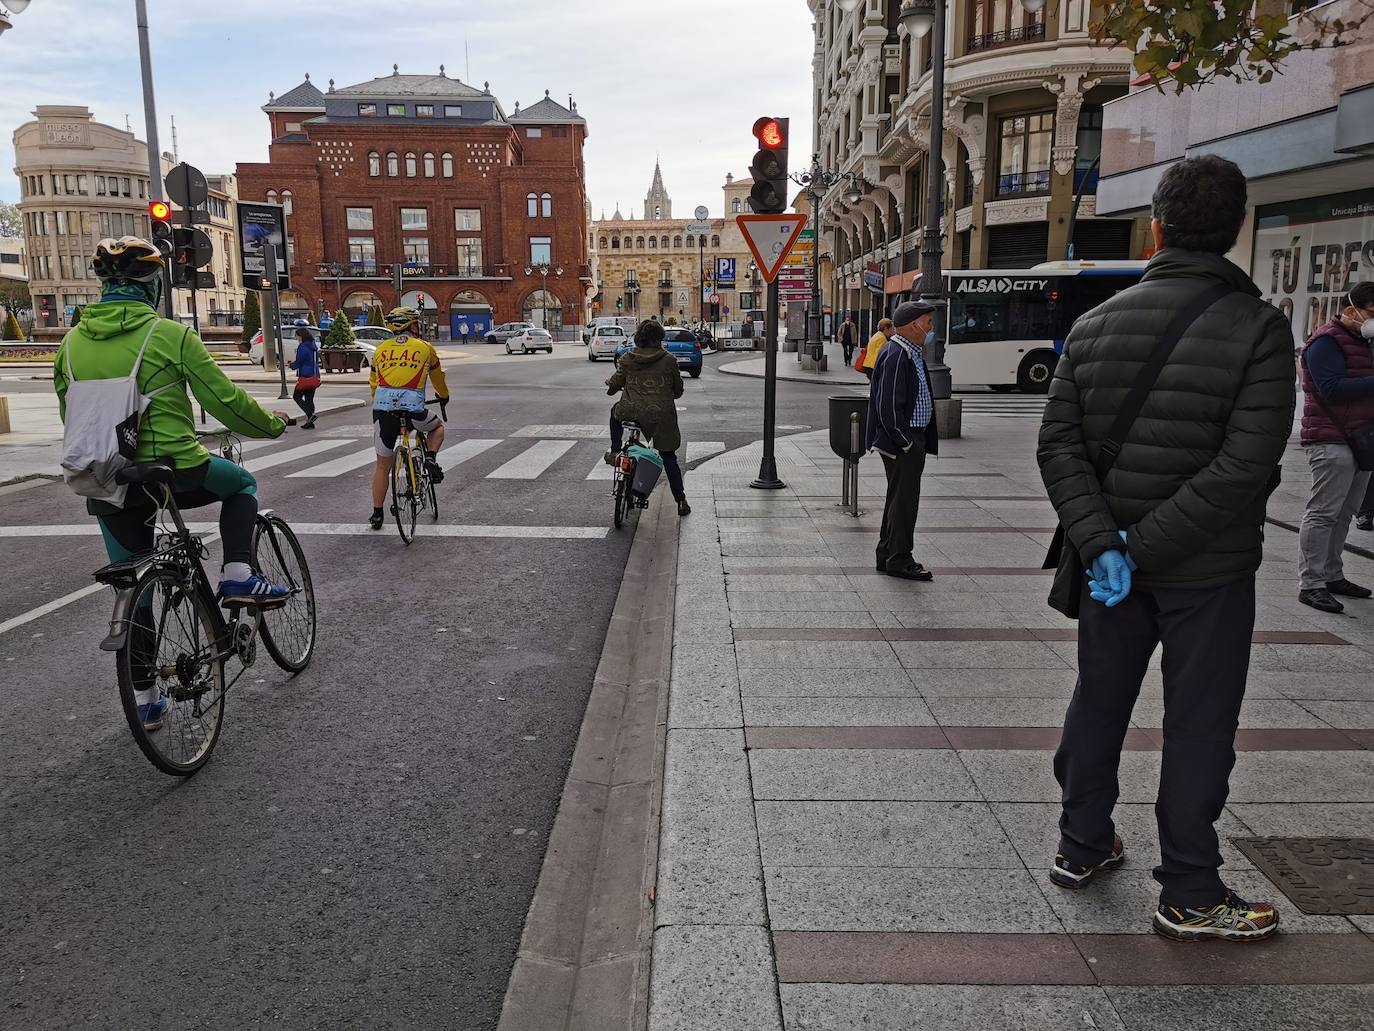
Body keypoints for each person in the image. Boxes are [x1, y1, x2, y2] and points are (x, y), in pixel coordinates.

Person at [1038, 155, 1295, 942]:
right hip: (1207, 572)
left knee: (1098, 700)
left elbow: (1059, 446)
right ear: (1238, 229)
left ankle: (1082, 844)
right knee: (1198, 724)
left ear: (1157, 227)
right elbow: (1244, 469)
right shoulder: (1258, 328)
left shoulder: (1095, 323)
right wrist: (1138, 546)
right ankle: (1188, 890)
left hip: (1113, 572)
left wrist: (1105, 544)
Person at [54, 236, 292, 729]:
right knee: (242, 485)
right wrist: (270, 423)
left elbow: (71, 414)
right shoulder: (168, 335)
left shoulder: (70, 343)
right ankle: (238, 573)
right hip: (174, 469)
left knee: (133, 583)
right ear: (153, 284)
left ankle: (144, 701)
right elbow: (223, 400)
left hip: (110, 478)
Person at [1296, 281, 1374, 612]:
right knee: (1323, 512)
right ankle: (1310, 582)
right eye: (1373, 312)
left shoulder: (1365, 341)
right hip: (1331, 437)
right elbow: (1331, 388)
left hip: (1361, 438)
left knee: (1345, 512)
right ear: (1352, 308)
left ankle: (1331, 573)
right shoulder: (1326, 342)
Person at [866, 301, 939, 581]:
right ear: (913, 325)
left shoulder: (909, 352)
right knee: (905, 502)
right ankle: (900, 559)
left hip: (908, 439)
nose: (930, 327)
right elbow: (888, 405)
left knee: (898, 500)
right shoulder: (898, 353)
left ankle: (887, 553)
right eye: (928, 322)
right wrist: (905, 441)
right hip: (903, 442)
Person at [368, 306, 450, 530]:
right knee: (437, 427)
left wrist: (382, 402)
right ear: (412, 326)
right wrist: (443, 396)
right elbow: (438, 377)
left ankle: (377, 514)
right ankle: (430, 459)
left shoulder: (380, 350)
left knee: (382, 466)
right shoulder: (425, 347)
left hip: (383, 410)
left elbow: (374, 383)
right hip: (413, 410)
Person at [604, 319, 690, 516]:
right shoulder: (669, 360)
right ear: (659, 338)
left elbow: (613, 387)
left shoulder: (627, 358)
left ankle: (616, 451)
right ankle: (681, 502)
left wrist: (611, 385)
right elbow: (678, 391)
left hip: (630, 411)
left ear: (639, 338)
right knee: (669, 458)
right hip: (661, 415)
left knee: (614, 413)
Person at [288, 325, 320, 429]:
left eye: (296, 336)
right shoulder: (313, 346)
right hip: (314, 375)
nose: (296, 338)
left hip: (305, 375)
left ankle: (311, 415)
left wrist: (291, 365)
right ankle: (310, 423)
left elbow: (299, 362)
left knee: (296, 397)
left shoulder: (302, 347)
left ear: (301, 336)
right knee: (309, 399)